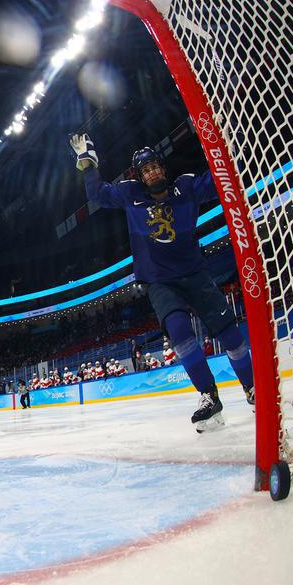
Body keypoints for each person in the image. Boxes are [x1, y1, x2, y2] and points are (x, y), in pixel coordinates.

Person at [71, 134, 255, 431]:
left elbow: (221, 179)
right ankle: (209, 397)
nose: (151, 172)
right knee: (180, 333)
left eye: (154, 167)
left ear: (162, 169)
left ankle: (251, 389)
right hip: (160, 281)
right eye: (145, 170)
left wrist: (224, 141)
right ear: (139, 177)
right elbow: (98, 195)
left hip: (195, 274)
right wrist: (88, 163)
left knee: (231, 336)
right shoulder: (130, 193)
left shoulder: (186, 186)